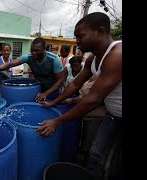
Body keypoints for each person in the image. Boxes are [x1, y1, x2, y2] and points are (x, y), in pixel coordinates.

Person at [36, 12, 122, 179]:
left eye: (80, 36)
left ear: (100, 30)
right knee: (96, 153)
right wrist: (53, 104)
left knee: (112, 162)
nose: (77, 41)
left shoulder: (117, 55)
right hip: (112, 116)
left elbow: (93, 100)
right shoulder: (93, 59)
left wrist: (57, 121)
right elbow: (75, 84)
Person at [0, 38, 65, 101]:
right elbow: (10, 64)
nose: (34, 53)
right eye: (32, 50)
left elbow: (60, 81)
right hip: (40, 89)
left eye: (37, 50)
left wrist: (46, 93)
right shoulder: (29, 57)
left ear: (44, 49)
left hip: (54, 91)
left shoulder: (54, 60)